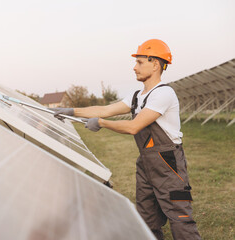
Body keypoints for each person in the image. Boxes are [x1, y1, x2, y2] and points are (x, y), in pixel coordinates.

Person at [51, 39, 201, 240]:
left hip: (169, 163)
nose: (134, 67)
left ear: (155, 64)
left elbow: (133, 126)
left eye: (140, 62)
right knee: (147, 219)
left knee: (180, 217)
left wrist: (102, 123)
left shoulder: (164, 93)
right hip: (146, 163)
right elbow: (104, 109)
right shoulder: (136, 96)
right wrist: (72, 111)